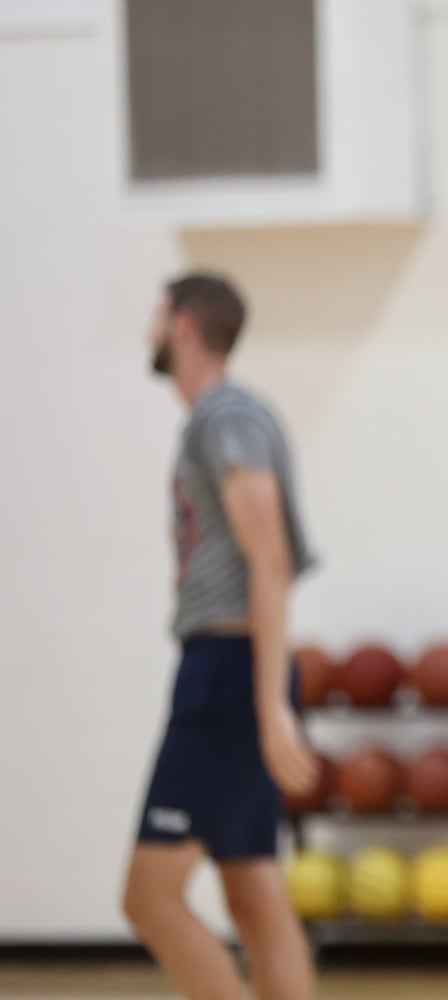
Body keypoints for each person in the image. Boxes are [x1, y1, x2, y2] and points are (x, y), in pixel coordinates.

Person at [122, 273, 322, 1000]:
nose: (148, 330)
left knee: (147, 897)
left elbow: (268, 556)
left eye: (155, 316)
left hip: (231, 672)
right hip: (236, 670)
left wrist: (268, 707)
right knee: (253, 891)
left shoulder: (224, 416)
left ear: (181, 326)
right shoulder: (220, 419)